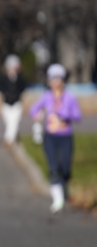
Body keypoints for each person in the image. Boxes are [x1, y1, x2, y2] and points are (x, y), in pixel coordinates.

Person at [30, 63, 82, 212]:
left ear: (63, 80)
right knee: (53, 167)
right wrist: (37, 115)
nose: (55, 82)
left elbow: (78, 115)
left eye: (58, 78)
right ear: (49, 81)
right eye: (53, 78)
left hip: (65, 136)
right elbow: (33, 109)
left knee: (65, 168)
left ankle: (63, 187)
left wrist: (65, 115)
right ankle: (57, 199)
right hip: (50, 137)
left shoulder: (70, 97)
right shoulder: (46, 97)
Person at [0, 55, 28, 145]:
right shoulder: (3, 78)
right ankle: (15, 136)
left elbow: (23, 87)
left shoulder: (20, 78)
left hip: (16, 102)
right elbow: (0, 88)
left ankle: (8, 140)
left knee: (14, 121)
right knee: (9, 122)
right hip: (6, 103)